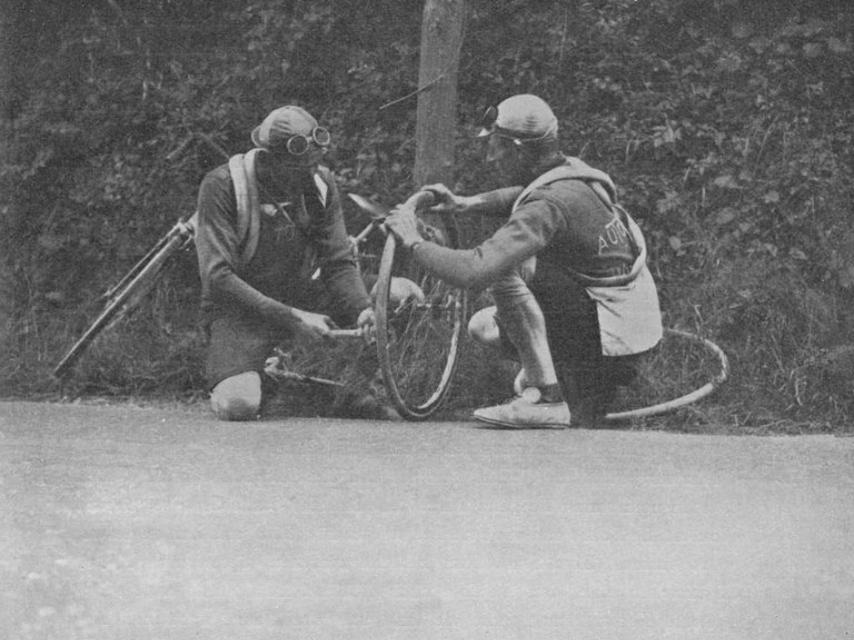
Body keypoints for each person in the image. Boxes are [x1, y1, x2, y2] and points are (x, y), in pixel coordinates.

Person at [385, 94, 663, 428]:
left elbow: (474, 270)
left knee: (505, 269)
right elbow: (522, 193)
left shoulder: (545, 207)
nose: (490, 157)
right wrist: (465, 204)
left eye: (496, 146)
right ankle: (558, 377)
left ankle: (549, 398)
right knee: (483, 326)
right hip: (630, 329)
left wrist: (413, 240)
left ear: (517, 149)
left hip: (609, 341)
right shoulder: (573, 174)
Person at [195, 105, 377, 421]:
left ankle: (352, 387)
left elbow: (338, 262)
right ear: (267, 159)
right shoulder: (223, 185)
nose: (309, 174)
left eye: (314, 164)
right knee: (239, 403)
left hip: (301, 294)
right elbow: (218, 277)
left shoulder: (320, 183)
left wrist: (363, 308)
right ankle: (264, 377)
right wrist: (293, 318)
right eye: (297, 168)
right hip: (241, 311)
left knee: (400, 296)